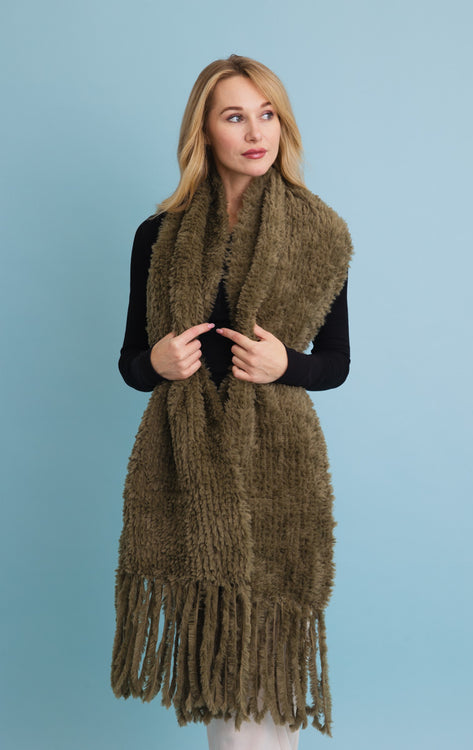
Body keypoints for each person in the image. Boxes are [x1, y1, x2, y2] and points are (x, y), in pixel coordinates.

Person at [111, 54, 353, 750]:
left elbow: (336, 364)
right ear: (205, 131)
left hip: (277, 471)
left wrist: (285, 365)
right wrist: (157, 363)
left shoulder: (321, 234)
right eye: (235, 116)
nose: (256, 132)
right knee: (227, 671)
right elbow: (131, 364)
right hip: (189, 471)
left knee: (265, 667)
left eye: (267, 114)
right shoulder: (158, 235)